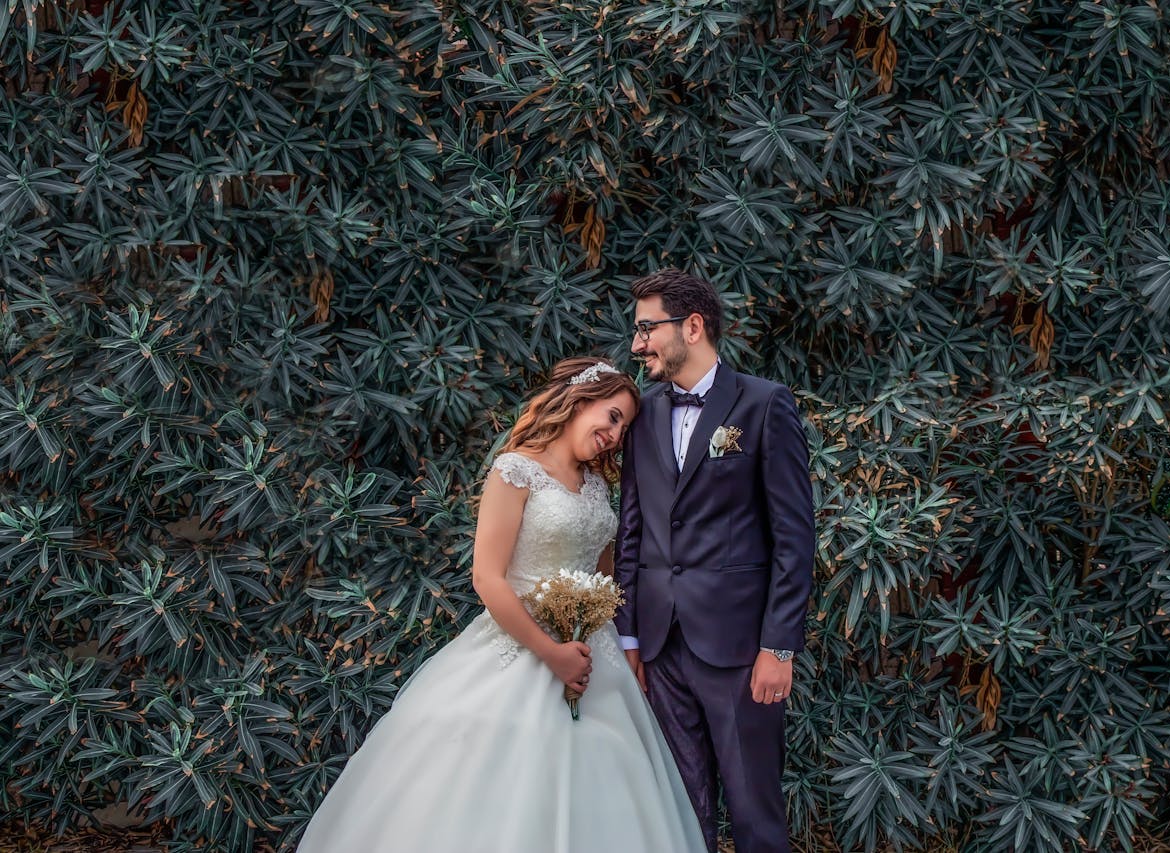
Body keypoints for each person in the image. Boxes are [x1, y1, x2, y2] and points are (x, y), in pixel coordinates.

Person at [297, 356, 704, 853]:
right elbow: (487, 578)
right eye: (613, 417)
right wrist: (551, 653)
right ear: (578, 401)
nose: (616, 436)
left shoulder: (599, 487)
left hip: (593, 654)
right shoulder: (516, 471)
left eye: (624, 428)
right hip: (519, 646)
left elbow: (605, 577)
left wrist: (604, 636)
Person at [614, 269, 815, 853]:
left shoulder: (764, 404)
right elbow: (633, 532)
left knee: (755, 813)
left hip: (740, 650)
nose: (637, 345)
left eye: (647, 328)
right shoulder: (643, 416)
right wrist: (629, 640)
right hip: (659, 648)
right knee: (679, 811)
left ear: (692, 326)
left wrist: (778, 646)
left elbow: (794, 537)